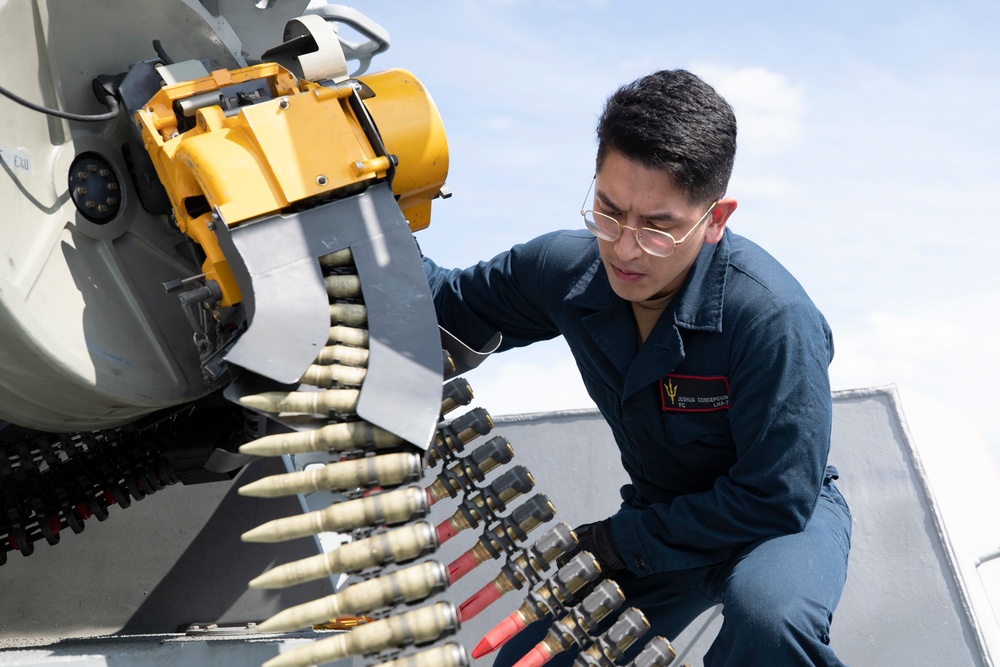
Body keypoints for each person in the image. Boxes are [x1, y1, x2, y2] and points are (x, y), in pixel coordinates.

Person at [422, 69, 852, 666]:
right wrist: (352, 209)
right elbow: (444, 302)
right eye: (608, 210)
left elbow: (774, 498)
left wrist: (618, 543)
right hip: (662, 513)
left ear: (716, 218)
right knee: (536, 658)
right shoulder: (564, 271)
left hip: (777, 525)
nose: (624, 249)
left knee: (770, 622)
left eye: (658, 226)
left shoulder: (773, 318)